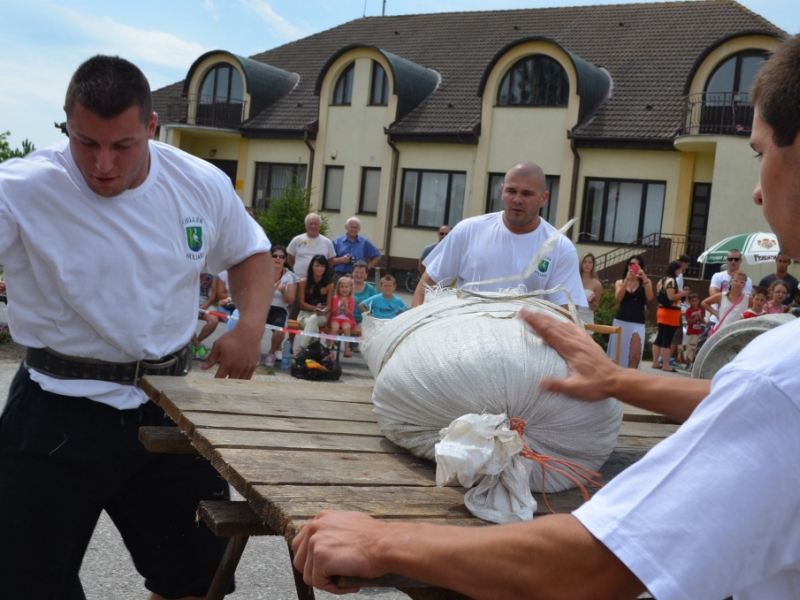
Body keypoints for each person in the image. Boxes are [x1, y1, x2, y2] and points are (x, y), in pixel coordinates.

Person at [291, 34, 800, 600]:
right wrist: (618, 381)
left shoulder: (780, 373)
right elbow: (743, 400)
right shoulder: (778, 374)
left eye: (760, 154)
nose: (756, 190)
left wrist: (381, 543)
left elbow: (597, 564)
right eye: (508, 190)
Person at [0, 55, 271, 600]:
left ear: (151, 127)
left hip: (165, 405)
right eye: (85, 142)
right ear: (67, 123)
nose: (102, 163)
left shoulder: (198, 182)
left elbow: (249, 254)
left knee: (199, 582)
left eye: (122, 146)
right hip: (56, 409)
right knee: (25, 585)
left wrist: (248, 326)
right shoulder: (21, 187)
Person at [413, 162, 587, 310]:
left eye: (527, 194)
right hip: (464, 344)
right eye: (511, 191)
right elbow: (426, 286)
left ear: (544, 198)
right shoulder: (468, 230)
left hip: (526, 348)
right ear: (502, 191)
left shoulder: (561, 248)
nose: (517, 200)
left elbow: (566, 315)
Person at [607, 255, 653, 369]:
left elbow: (650, 297)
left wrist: (644, 278)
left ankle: (632, 382)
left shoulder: (645, 282)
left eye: (636, 265)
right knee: (617, 355)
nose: (633, 267)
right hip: (621, 320)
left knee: (635, 356)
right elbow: (618, 297)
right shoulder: (620, 282)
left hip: (637, 322)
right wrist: (627, 280)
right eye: (631, 264)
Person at [263, 244, 297, 367]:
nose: (278, 259)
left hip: (279, 308)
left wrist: (283, 291)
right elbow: (256, 295)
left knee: (280, 330)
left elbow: (291, 301)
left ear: (285, 259)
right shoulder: (262, 272)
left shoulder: (290, 276)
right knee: (254, 326)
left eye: (281, 257)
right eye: (275, 256)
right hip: (262, 306)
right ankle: (253, 352)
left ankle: (271, 353)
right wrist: (271, 290)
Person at [294, 254, 334, 355]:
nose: (319, 268)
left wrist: (321, 310)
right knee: (313, 328)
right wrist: (314, 308)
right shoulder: (304, 282)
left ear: (326, 268)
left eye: (322, 266)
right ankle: (316, 353)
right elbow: (301, 303)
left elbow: (329, 306)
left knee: (314, 319)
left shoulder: (329, 285)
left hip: (321, 316)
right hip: (304, 314)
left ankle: (301, 347)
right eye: (317, 265)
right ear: (312, 266)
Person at [651, 260, 687, 372]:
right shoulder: (671, 281)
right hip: (670, 312)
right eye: (679, 269)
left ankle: (655, 362)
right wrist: (682, 293)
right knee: (667, 339)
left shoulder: (661, 280)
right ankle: (666, 364)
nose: (680, 272)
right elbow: (671, 296)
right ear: (675, 270)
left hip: (661, 310)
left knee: (660, 337)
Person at [287, 213, 336, 286]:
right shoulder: (297, 240)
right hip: (298, 280)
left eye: (316, 224)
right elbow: (290, 258)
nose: (313, 226)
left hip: (319, 283)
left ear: (320, 227)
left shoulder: (327, 242)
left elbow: (330, 261)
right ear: (306, 226)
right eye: (310, 223)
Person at [701, 270, 750, 337]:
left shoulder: (748, 299)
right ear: (731, 281)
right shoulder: (721, 296)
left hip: (737, 332)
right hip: (720, 331)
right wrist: (716, 314)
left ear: (744, 284)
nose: (738, 284)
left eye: (742, 282)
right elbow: (704, 303)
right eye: (736, 281)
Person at [191, 269, 222, 359]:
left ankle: (194, 344)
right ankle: (199, 346)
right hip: (188, 301)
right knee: (184, 319)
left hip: (205, 301)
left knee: (213, 320)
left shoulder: (212, 268)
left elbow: (214, 292)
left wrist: (206, 305)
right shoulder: (191, 262)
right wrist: (193, 306)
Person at [328, 276, 357, 357]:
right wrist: (341, 305)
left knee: (346, 328)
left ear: (350, 288)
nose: (344, 289)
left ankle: (347, 349)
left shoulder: (351, 299)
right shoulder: (335, 298)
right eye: (342, 287)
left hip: (347, 319)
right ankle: (330, 349)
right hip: (336, 318)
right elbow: (335, 312)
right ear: (338, 288)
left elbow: (350, 314)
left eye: (346, 287)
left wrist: (346, 306)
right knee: (334, 328)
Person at [578, 252, 602, 325]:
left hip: (587, 319)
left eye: (589, 262)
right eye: (584, 262)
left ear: (593, 265)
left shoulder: (597, 284)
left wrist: (591, 302)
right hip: (573, 317)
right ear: (581, 264)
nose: (587, 264)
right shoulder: (574, 280)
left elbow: (595, 307)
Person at [351, 260, 377, 328]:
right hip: (347, 319)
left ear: (366, 275)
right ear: (352, 273)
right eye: (356, 272)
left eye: (362, 273)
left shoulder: (371, 289)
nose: (359, 275)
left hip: (364, 320)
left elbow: (375, 306)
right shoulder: (345, 285)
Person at [684, 293, 705, 367]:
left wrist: (700, 318)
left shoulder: (700, 310)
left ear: (698, 301)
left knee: (694, 347)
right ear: (689, 302)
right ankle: (687, 362)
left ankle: (691, 361)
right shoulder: (689, 310)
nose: (694, 302)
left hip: (697, 332)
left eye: (696, 300)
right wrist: (696, 317)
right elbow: (689, 321)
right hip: (690, 332)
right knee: (689, 347)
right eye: (692, 301)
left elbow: (703, 321)